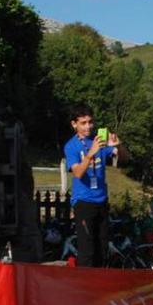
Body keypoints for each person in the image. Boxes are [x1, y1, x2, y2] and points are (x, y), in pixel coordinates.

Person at [63, 106, 121, 267]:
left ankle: (100, 283)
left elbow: (124, 158)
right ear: (74, 124)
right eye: (83, 123)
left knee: (102, 248)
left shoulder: (99, 140)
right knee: (87, 249)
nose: (88, 126)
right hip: (84, 201)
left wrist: (118, 145)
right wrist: (90, 153)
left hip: (101, 200)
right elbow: (77, 173)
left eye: (90, 122)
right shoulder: (71, 146)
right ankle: (84, 285)